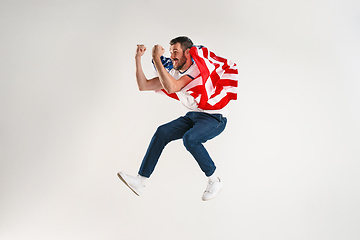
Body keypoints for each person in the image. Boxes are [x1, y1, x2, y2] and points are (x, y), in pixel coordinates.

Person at [117, 36, 236, 201]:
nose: (172, 55)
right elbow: (143, 85)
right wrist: (138, 58)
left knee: (190, 139)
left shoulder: (196, 70)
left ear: (187, 53)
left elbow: (173, 87)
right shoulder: (174, 72)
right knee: (162, 132)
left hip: (215, 118)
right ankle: (140, 181)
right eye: (171, 51)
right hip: (195, 115)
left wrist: (155, 58)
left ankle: (214, 180)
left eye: (175, 51)